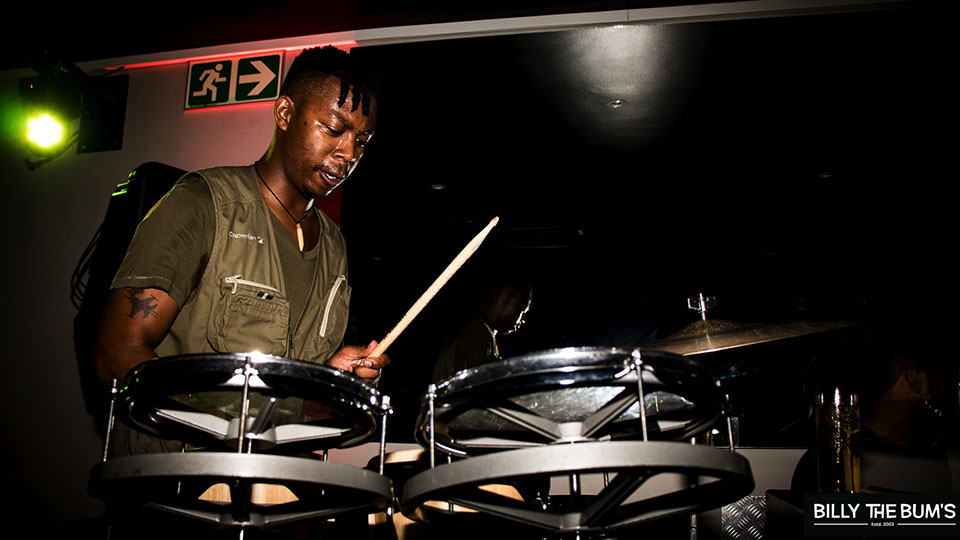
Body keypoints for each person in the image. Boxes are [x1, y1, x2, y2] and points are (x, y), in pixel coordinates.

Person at [93, 46, 389, 455]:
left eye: (362, 140)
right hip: (175, 478)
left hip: (272, 479)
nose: (349, 153)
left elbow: (286, 391)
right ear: (284, 113)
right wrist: (219, 429)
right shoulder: (202, 204)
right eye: (334, 129)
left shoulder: (334, 245)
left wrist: (328, 377)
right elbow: (115, 353)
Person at [432, 276, 532, 381]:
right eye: (521, 310)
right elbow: (473, 384)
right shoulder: (478, 334)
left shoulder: (475, 330)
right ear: (506, 299)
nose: (523, 319)